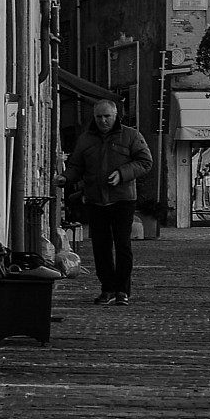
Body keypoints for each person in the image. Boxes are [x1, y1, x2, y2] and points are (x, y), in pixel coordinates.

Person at [66, 98, 153, 305]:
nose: (103, 121)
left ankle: (122, 290)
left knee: (123, 245)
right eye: (99, 117)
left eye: (107, 116)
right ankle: (107, 288)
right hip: (96, 200)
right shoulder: (86, 139)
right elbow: (76, 165)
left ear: (115, 117)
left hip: (122, 199)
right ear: (94, 117)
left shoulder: (131, 136)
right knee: (100, 247)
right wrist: (66, 178)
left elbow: (145, 162)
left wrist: (122, 174)